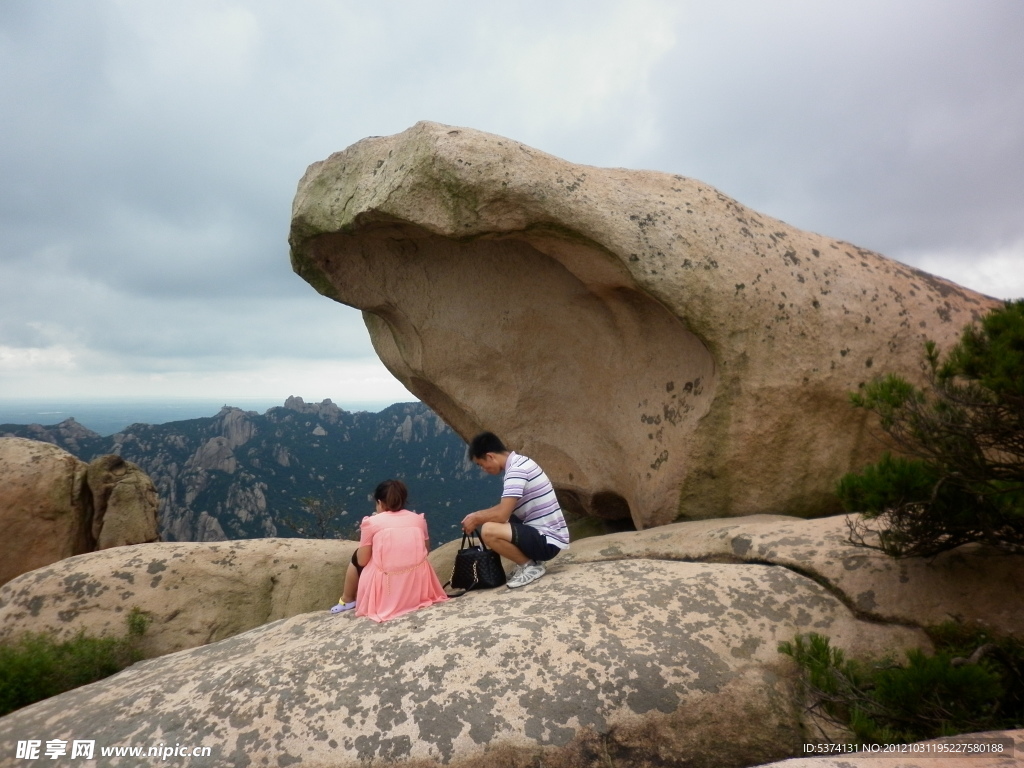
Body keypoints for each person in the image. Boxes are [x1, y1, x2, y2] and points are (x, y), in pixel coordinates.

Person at [461, 432, 569, 588]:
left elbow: (502, 514)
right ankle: (529, 563)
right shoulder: (521, 462)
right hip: (548, 535)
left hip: (547, 541)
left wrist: (477, 518)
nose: (483, 469)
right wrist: (480, 516)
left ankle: (531, 566)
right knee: (493, 520)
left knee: (488, 530)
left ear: (490, 456)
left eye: (480, 464)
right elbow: (506, 510)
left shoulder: (516, 471)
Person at [330, 479, 448, 622]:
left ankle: (346, 600)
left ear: (380, 502)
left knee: (356, 556)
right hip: (418, 586)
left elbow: (362, 560)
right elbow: (426, 550)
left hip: (386, 589)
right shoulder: (418, 520)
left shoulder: (371, 523)